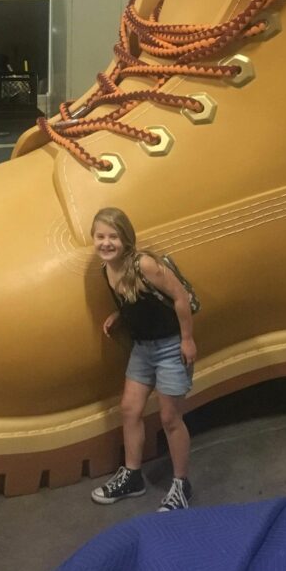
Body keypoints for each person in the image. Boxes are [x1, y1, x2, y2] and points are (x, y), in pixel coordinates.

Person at [89, 206, 197, 512]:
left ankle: (181, 484)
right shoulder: (106, 270)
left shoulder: (145, 264)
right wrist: (120, 315)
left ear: (126, 238)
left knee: (169, 418)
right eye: (100, 236)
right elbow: (140, 300)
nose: (106, 243)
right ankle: (133, 476)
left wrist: (187, 339)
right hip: (142, 348)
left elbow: (179, 297)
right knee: (129, 409)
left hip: (170, 346)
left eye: (113, 236)